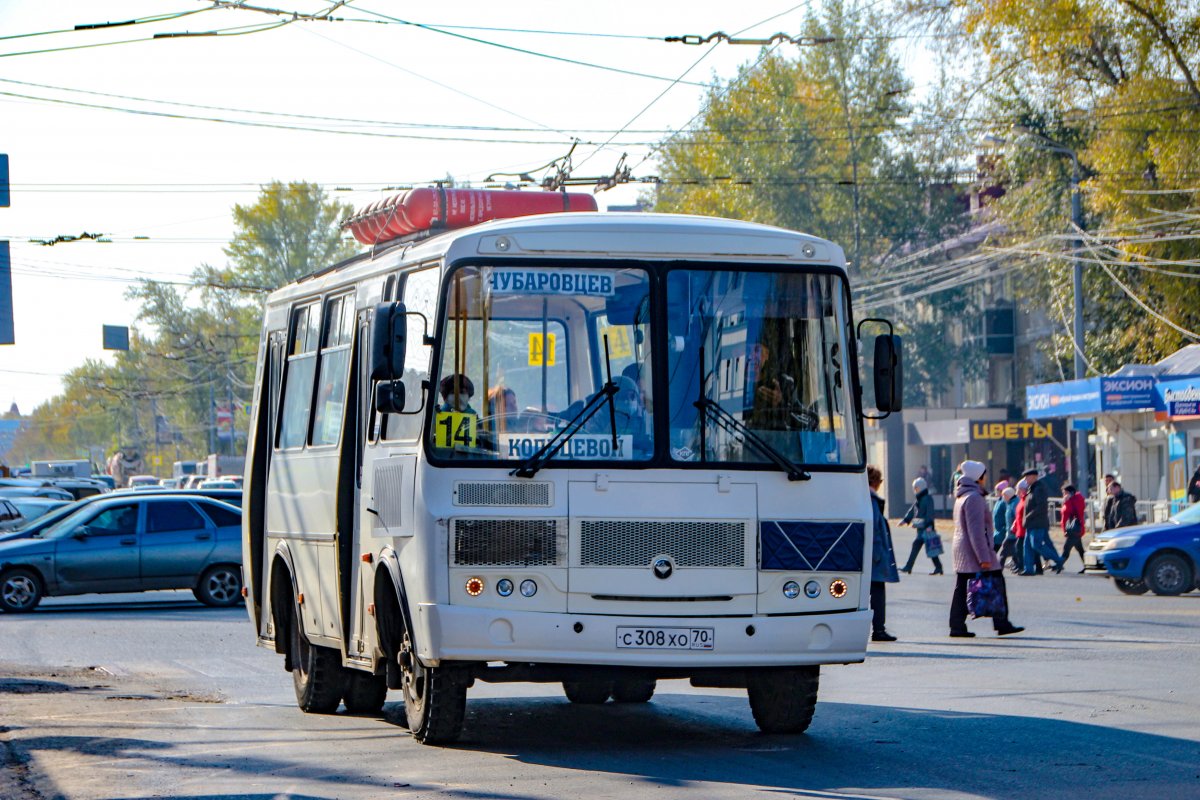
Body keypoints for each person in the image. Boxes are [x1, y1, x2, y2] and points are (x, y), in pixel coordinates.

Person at [949, 460, 1023, 638]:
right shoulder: (974, 498)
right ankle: (1001, 623)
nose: (986, 478)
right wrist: (984, 557)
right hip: (973, 550)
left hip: (962, 549)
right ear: (978, 478)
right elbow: (976, 531)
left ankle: (957, 625)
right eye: (984, 475)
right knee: (997, 581)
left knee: (962, 587)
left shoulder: (962, 495)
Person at [867, 465, 899, 642]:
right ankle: (879, 629)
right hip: (874, 555)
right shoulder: (871, 500)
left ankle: (878, 628)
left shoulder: (863, 498)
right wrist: (877, 554)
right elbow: (874, 530)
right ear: (876, 482)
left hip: (869, 554)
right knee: (877, 592)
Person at [1021, 468, 1065, 575]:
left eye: (1028, 477)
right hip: (1031, 523)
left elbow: (1041, 506)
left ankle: (1058, 560)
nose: (1025, 479)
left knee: (1037, 545)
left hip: (1037, 522)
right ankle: (1029, 569)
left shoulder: (1039, 488)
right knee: (1027, 547)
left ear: (1035, 477)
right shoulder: (1031, 489)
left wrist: (1028, 516)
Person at [899, 477, 943, 574]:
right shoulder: (920, 499)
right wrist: (905, 520)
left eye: (916, 488)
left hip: (926, 528)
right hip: (922, 529)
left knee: (927, 547)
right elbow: (912, 511)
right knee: (930, 548)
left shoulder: (927, 498)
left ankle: (909, 566)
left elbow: (930, 513)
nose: (915, 490)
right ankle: (938, 567)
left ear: (921, 487)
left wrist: (929, 525)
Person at [1060, 483, 1088, 572]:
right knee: (1080, 549)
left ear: (1071, 493)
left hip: (1074, 529)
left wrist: (1067, 502)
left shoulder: (1077, 500)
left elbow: (1077, 512)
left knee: (1066, 549)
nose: (1064, 495)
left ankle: (1059, 565)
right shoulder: (1069, 500)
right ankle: (1089, 566)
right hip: (1071, 529)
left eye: (1065, 493)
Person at [996, 486, 1020, 571]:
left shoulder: (1014, 504)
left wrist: (1014, 527)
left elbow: (1017, 517)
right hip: (1010, 532)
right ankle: (1019, 565)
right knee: (1014, 551)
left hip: (1013, 532)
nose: (1003, 497)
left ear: (1009, 495)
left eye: (1004, 495)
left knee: (1004, 550)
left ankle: (998, 567)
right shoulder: (1010, 503)